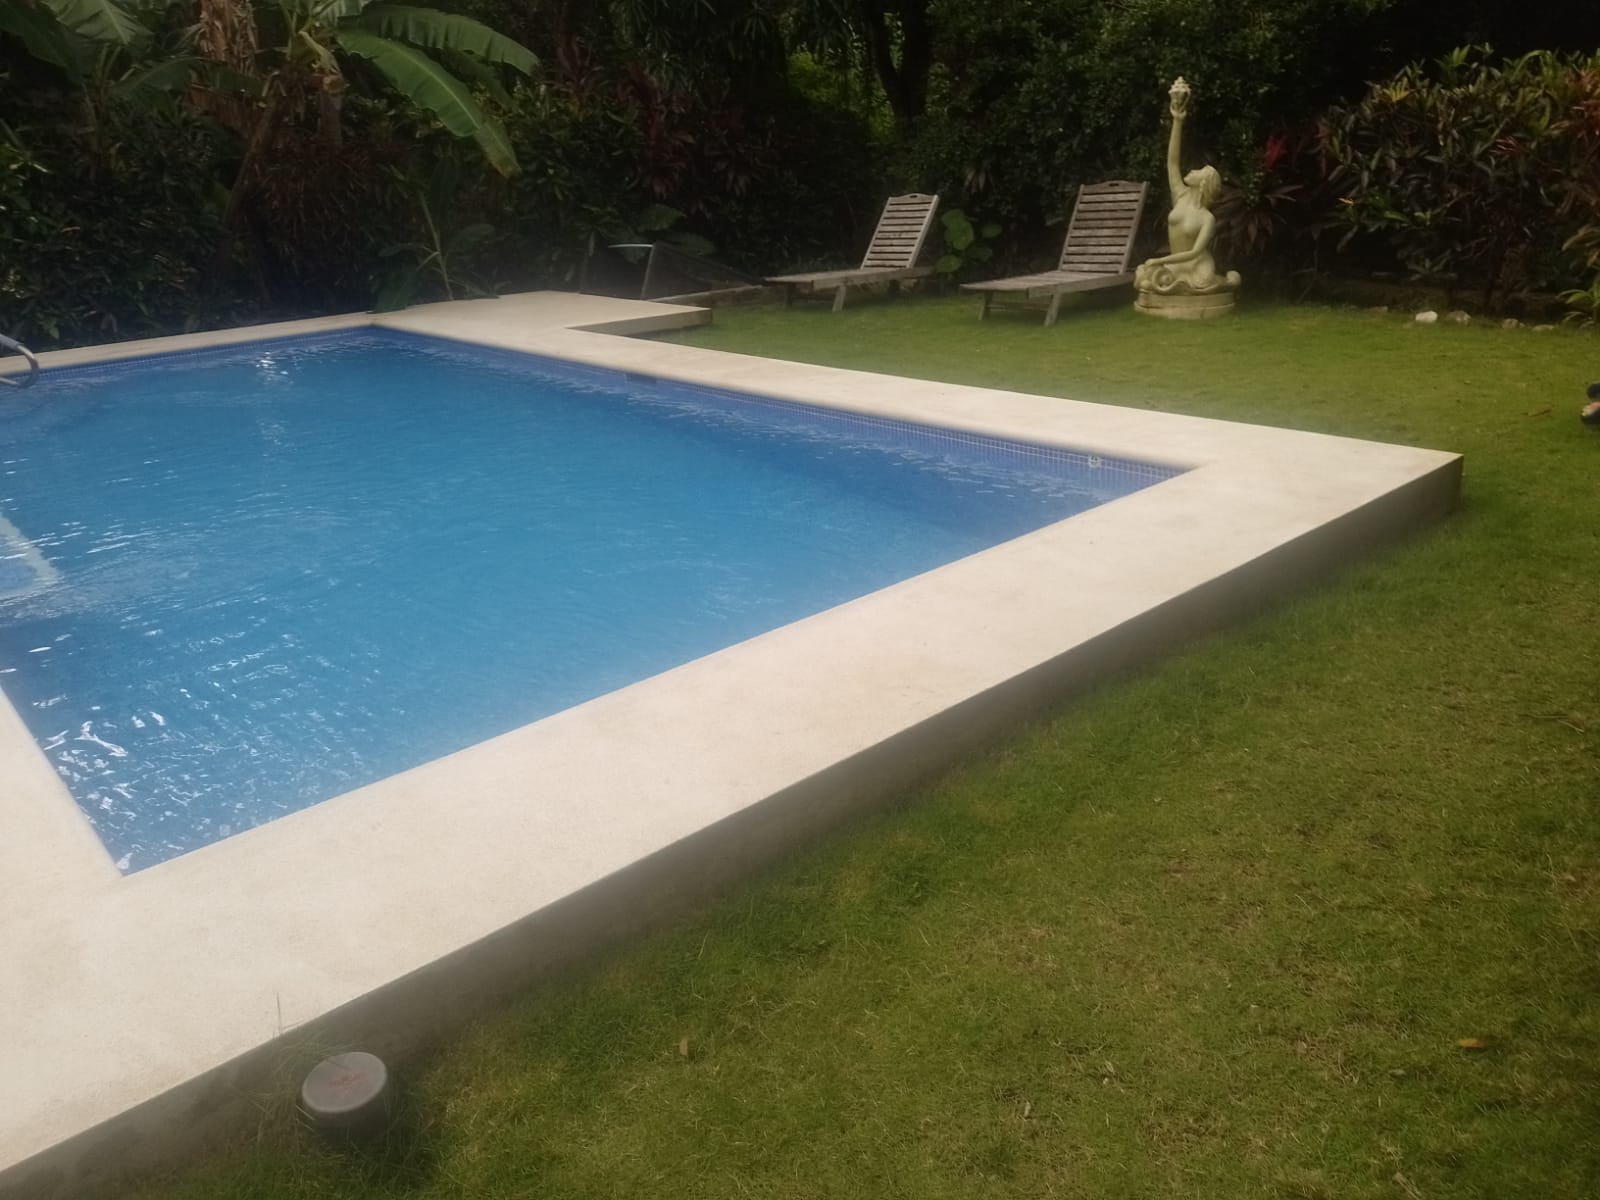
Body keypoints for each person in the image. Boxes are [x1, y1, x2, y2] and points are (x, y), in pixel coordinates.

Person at [1134, 78, 1241, 296]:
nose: (1191, 171)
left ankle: (1225, 283)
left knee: (1191, 283)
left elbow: (1194, 254)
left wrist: (1160, 259)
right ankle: (1213, 284)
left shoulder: (1206, 218)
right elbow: (1172, 162)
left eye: (1198, 171)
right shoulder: (1180, 195)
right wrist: (1177, 122)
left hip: (1195, 266)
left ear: (1204, 183)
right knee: (1145, 280)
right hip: (1175, 265)